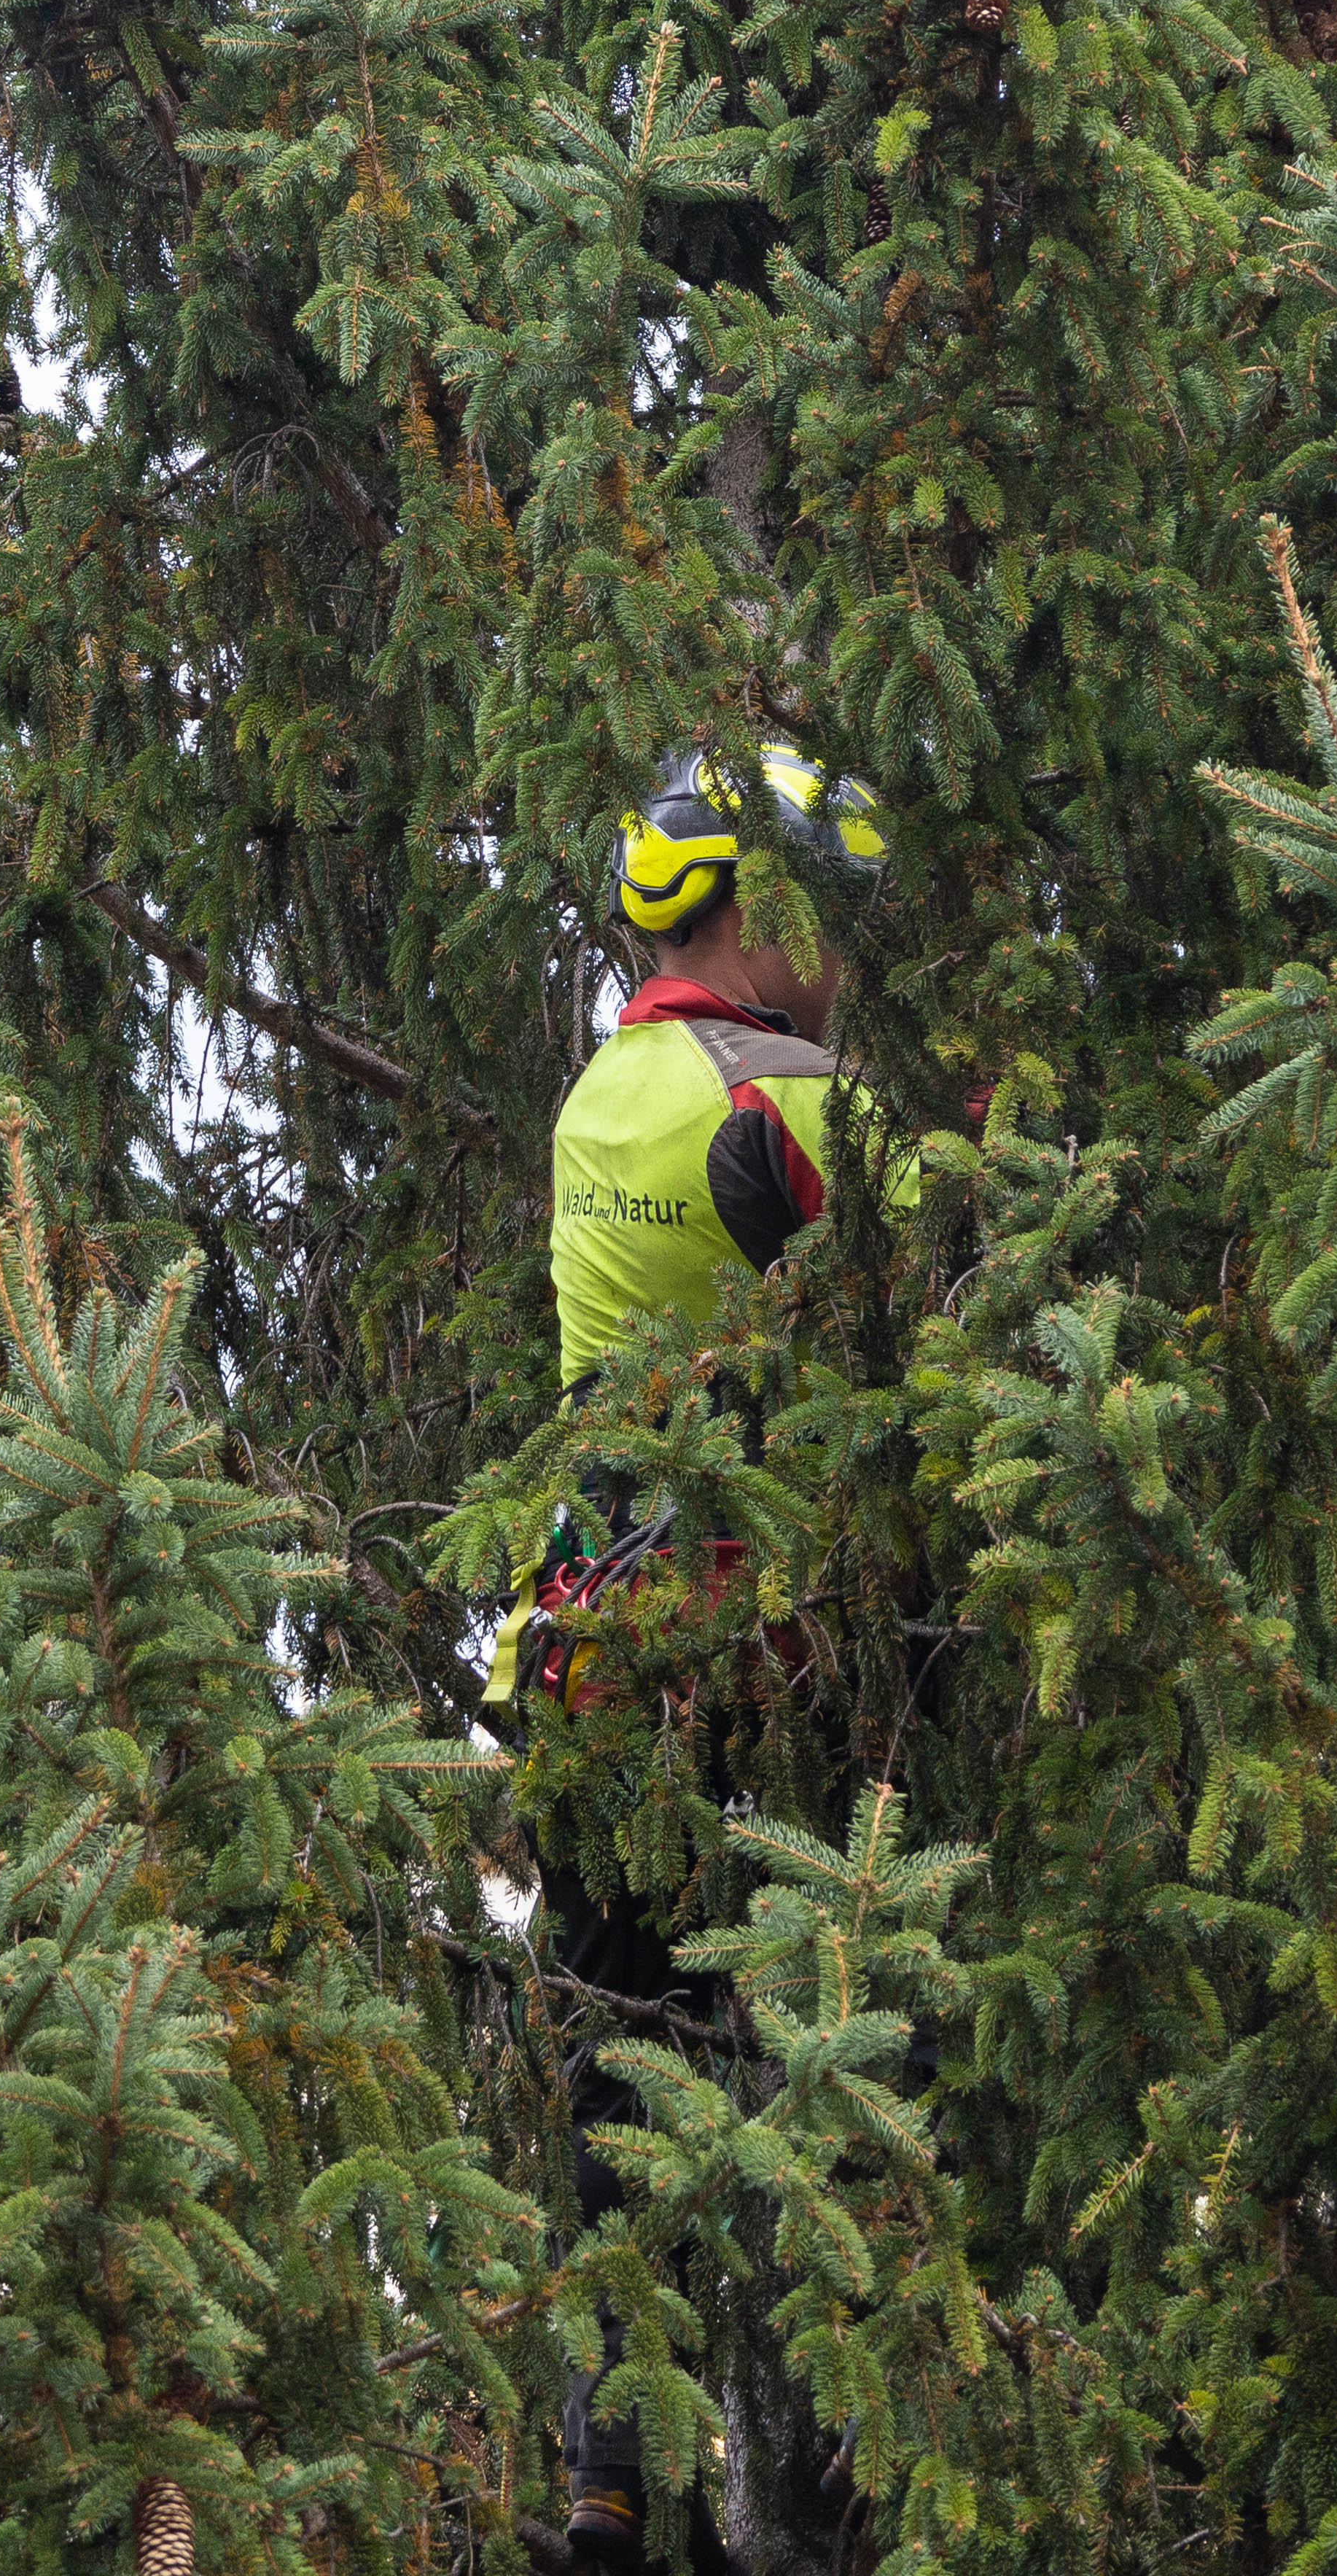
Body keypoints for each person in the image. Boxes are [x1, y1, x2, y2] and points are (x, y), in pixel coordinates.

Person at [493, 741, 884, 2569]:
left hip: (579, 1654)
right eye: (826, 916)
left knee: (617, 2075)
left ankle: (610, 2463)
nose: (846, 956)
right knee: (805, 2073)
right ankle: (829, 2465)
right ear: (761, 909)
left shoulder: (598, 1094)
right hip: (754, 1668)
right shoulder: (805, 1102)